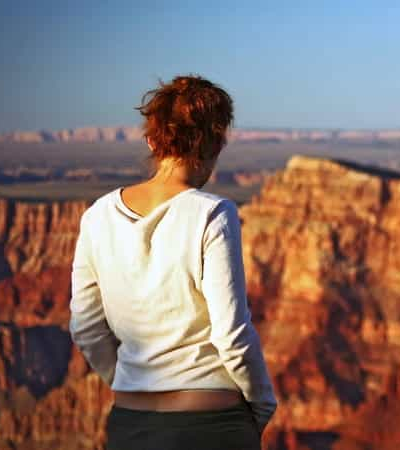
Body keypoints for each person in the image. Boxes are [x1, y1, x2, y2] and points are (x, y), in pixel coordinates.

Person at [69, 75, 276, 450]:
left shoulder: (96, 216)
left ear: (152, 140)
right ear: (216, 144)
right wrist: (261, 404)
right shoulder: (212, 213)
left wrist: (132, 379)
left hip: (131, 422)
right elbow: (231, 333)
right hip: (210, 424)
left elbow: (85, 328)